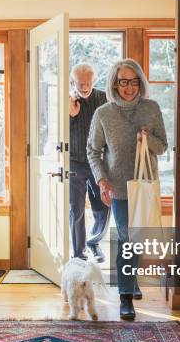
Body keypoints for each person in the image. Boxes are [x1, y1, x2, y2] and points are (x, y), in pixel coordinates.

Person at [87, 58, 168, 320]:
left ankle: (131, 282)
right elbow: (93, 151)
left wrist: (148, 138)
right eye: (124, 82)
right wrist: (101, 180)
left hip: (144, 185)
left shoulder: (152, 109)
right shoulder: (103, 114)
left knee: (139, 237)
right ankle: (125, 297)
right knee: (125, 240)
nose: (129, 87)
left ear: (140, 83)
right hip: (119, 187)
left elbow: (163, 146)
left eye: (134, 82)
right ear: (114, 83)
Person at [68, 63, 110, 263]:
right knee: (76, 209)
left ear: (94, 81)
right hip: (74, 161)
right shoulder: (67, 101)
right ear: (72, 82)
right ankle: (78, 253)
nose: (84, 87)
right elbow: (57, 133)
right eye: (80, 83)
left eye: (88, 83)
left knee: (103, 206)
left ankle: (94, 242)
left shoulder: (104, 99)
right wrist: (70, 115)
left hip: (99, 161)